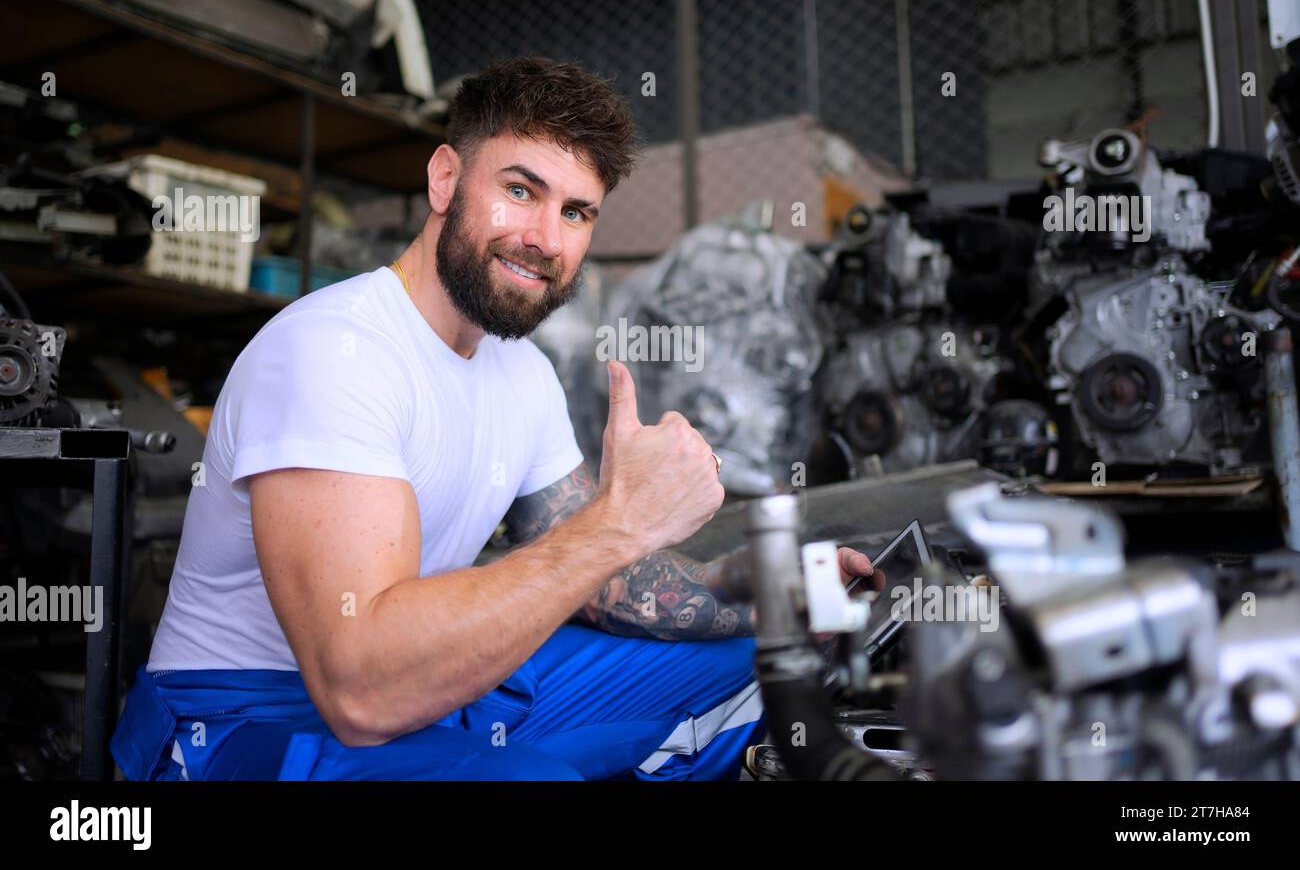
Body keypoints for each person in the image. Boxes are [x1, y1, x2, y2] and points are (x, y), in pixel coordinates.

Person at [111, 56, 875, 780]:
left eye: (576, 211)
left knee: (769, 666)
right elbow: (360, 691)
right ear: (446, 178)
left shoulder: (523, 373)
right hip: (245, 723)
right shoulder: (331, 354)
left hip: (426, 687)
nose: (545, 238)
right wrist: (620, 520)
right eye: (520, 190)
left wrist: (764, 588)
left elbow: (601, 581)